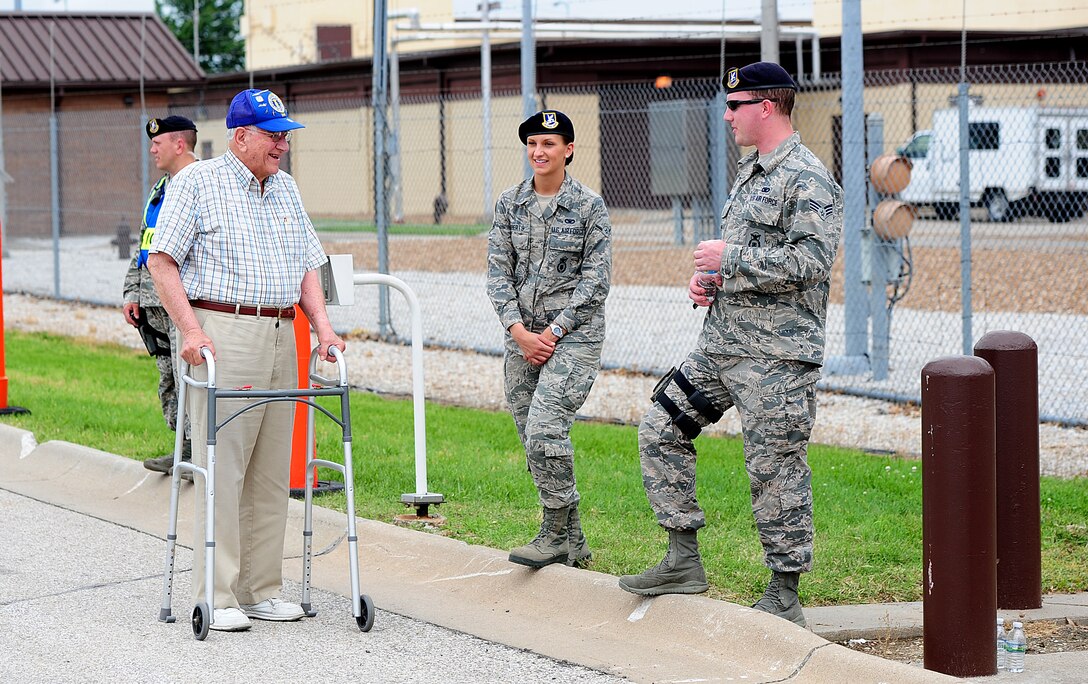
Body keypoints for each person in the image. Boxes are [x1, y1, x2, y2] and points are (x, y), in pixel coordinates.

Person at [617, 62, 843, 628]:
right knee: (660, 427)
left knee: (775, 466)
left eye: (735, 106)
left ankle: (785, 591)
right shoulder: (751, 172)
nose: (727, 116)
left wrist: (730, 260)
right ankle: (682, 560)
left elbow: (811, 264)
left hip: (777, 357)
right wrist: (711, 282)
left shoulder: (807, 178)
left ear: (766, 107)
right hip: (721, 345)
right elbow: (747, 262)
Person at [148, 88, 345, 633]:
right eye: (273, 134)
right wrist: (189, 330)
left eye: (285, 134)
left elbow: (309, 264)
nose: (283, 144)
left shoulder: (285, 188)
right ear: (240, 136)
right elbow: (162, 262)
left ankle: (262, 589)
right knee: (223, 465)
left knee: (269, 469)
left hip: (284, 331)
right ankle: (217, 593)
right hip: (223, 330)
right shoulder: (198, 182)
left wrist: (323, 329)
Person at [486, 110, 612, 569]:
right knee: (532, 438)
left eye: (550, 144)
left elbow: (596, 282)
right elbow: (497, 273)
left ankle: (554, 532)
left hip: (573, 337)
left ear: (569, 150)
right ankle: (573, 542)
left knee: (545, 427)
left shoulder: (589, 206)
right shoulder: (510, 203)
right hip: (522, 337)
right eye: (533, 144)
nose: (539, 152)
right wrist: (520, 333)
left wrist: (553, 332)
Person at [123, 115, 198, 477]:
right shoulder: (160, 188)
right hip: (153, 303)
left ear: (179, 144)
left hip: (181, 301)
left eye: (158, 143)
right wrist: (133, 292)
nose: (152, 149)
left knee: (191, 378)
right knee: (168, 379)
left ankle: (198, 450)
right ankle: (182, 447)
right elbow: (144, 247)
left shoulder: (202, 183)